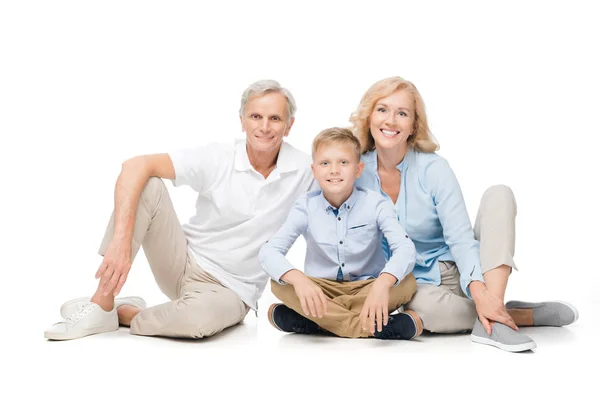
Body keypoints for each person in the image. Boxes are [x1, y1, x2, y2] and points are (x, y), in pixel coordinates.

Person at [44, 79, 316, 340]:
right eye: (256, 117)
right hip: (182, 262)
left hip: (231, 290)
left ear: (289, 126)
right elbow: (135, 165)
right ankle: (102, 303)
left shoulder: (306, 170)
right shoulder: (219, 157)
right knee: (148, 185)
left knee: (197, 322)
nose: (265, 127)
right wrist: (121, 241)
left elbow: (346, 182)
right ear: (242, 121)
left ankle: (126, 313)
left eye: (275, 119)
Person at [351, 76, 578, 352]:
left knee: (499, 194)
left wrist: (478, 290)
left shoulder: (433, 168)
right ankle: (509, 316)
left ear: (413, 125)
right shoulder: (354, 171)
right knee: (421, 308)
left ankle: (491, 305)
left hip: (461, 271)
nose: (391, 120)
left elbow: (459, 237)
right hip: (416, 288)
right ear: (369, 117)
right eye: (382, 109)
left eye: (402, 113)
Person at [259, 127, 421, 340]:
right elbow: (269, 252)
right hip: (321, 289)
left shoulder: (376, 203)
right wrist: (299, 280)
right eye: (325, 163)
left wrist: (382, 283)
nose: (334, 170)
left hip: (367, 288)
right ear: (314, 170)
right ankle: (372, 326)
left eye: (343, 162)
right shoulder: (305, 206)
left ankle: (318, 321)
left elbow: (405, 248)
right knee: (280, 282)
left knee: (407, 281)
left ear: (358, 169)